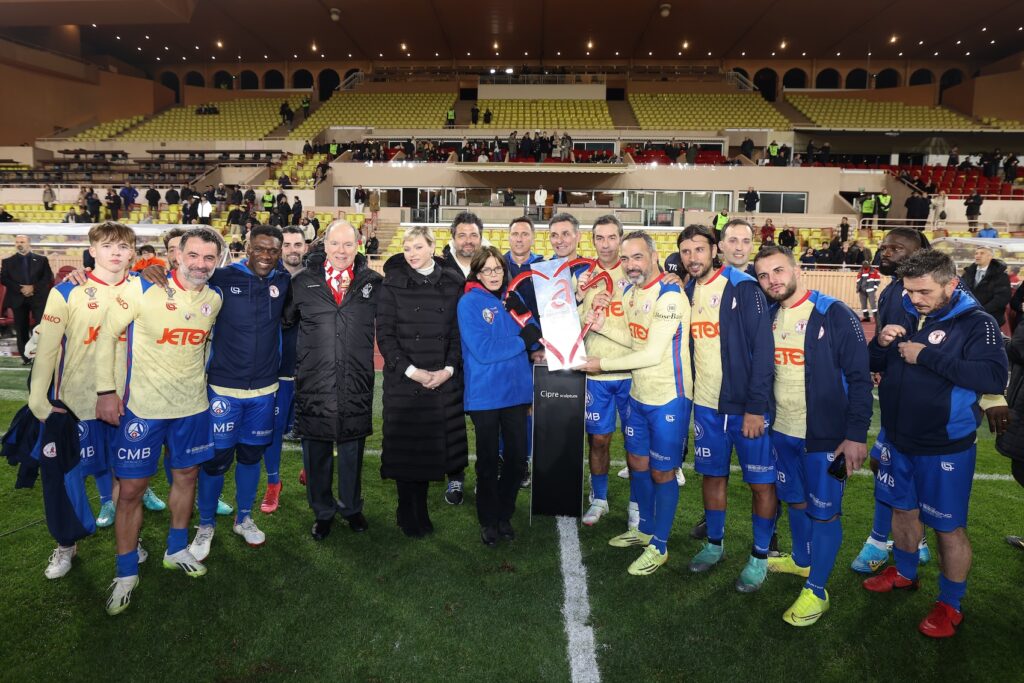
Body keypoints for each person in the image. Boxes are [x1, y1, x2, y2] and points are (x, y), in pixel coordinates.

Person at [863, 249, 1007, 638]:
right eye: (909, 291)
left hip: (945, 445)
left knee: (948, 529)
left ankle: (950, 603)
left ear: (951, 284)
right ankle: (906, 573)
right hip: (897, 437)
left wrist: (927, 356)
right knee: (901, 511)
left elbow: (994, 377)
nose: (914, 299)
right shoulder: (908, 311)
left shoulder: (978, 322)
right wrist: (881, 343)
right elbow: (875, 364)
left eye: (923, 292)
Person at [95, 227, 224, 615]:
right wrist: (105, 391)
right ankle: (125, 571)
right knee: (131, 490)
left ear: (217, 261)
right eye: (194, 255)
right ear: (177, 256)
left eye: (209, 258)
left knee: (187, 477)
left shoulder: (214, 299)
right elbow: (106, 334)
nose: (200, 264)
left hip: (192, 407)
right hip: (143, 409)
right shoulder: (141, 287)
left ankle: (176, 548)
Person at [753, 245, 871, 625]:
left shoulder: (833, 312)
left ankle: (817, 591)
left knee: (825, 513)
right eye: (764, 276)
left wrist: (855, 435)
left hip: (829, 439)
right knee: (796, 502)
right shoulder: (769, 315)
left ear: (796, 269)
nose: (773, 280)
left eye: (778, 271)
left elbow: (859, 379)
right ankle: (803, 562)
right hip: (783, 433)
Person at [29, 222, 139, 579]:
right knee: (68, 478)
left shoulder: (145, 290)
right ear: (92, 250)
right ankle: (66, 546)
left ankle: (130, 541)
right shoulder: (66, 291)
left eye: (123, 246)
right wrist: (38, 400)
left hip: (128, 401)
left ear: (133, 252)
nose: (116, 252)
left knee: (127, 476)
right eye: (107, 245)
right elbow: (46, 351)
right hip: (76, 403)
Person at [580, 231, 692, 575]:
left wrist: (600, 364)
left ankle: (659, 546)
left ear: (654, 255)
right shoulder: (629, 292)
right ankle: (643, 530)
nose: (630, 265)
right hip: (638, 396)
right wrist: (598, 325)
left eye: (638, 257)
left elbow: (651, 352)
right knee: (638, 465)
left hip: (668, 398)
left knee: (662, 471)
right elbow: (632, 339)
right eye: (625, 259)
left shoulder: (671, 295)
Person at [679, 224, 777, 593]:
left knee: (760, 482)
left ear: (714, 251)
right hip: (706, 406)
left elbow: (763, 349)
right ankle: (715, 545)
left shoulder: (742, 285)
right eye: (686, 252)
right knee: (712, 476)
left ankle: (759, 556)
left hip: (745, 408)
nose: (693, 258)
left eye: (699, 250)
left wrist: (755, 407)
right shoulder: (688, 289)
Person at [283, 221, 381, 540]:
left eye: (348, 245)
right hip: (315, 383)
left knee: (352, 451)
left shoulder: (373, 283)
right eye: (335, 244)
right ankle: (322, 511)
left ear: (358, 246)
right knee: (316, 453)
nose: (341, 251)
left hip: (355, 381)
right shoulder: (302, 282)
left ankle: (352, 508)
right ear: (325, 245)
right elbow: (284, 319)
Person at [377, 227, 467, 537]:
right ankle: (407, 509)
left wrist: (448, 370)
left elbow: (457, 335)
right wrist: (411, 371)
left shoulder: (454, 283)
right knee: (406, 451)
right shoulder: (390, 285)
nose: (412, 253)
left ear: (432, 248)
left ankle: (420, 509)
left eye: (418, 247)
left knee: (429, 452)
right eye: (407, 247)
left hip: (440, 381)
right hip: (405, 382)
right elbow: (385, 337)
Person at [458, 246, 539, 546]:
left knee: (518, 461)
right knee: (489, 462)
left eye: (498, 269)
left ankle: (504, 513)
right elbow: (483, 351)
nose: (493, 275)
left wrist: (533, 343)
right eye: (486, 270)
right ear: (477, 273)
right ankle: (488, 520)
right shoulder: (468, 303)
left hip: (516, 392)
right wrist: (521, 342)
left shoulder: (512, 298)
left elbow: (533, 330)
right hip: (485, 396)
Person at [578, 216, 637, 528]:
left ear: (620, 238)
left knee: (635, 444)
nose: (605, 244)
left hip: (630, 373)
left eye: (612, 237)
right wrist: (582, 310)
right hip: (595, 374)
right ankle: (599, 498)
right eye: (599, 237)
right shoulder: (584, 276)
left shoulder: (634, 273)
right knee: (599, 441)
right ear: (593, 240)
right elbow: (571, 322)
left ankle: (637, 504)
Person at [258, 227, 308, 512]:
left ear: (305, 246)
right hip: (277, 370)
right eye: (286, 244)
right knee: (274, 429)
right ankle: (274, 483)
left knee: (315, 427)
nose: (292, 249)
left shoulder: (318, 278)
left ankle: (310, 470)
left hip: (312, 369)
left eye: (297, 244)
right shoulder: (266, 279)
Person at [1, 235, 53, 363]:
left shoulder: (42, 260)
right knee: (21, 329)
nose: (19, 244)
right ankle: (26, 357)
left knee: (41, 328)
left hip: (38, 298)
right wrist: (21, 289)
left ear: (29, 243)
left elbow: (48, 277)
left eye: (22, 242)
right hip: (18, 299)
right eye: (17, 242)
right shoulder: (7, 261)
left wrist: (33, 288)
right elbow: (4, 278)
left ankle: (41, 356)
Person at [961, 245, 1011, 328]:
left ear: (990, 257)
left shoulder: (1000, 274)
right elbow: (961, 291)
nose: (978, 255)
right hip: (967, 315)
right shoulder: (968, 273)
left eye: (982, 253)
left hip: (990, 318)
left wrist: (981, 311)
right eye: (976, 253)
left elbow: (1001, 299)